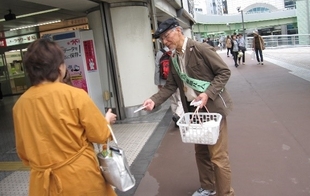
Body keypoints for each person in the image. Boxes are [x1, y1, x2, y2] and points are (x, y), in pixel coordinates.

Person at [12, 38, 118, 196]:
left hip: (42, 185)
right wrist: (106, 121)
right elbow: (100, 134)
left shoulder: (20, 105)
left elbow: (24, 154)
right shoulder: (74, 95)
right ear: (59, 67)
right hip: (79, 179)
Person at [143, 18, 235, 196]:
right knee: (201, 152)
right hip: (194, 112)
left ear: (178, 30)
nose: (165, 41)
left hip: (212, 109)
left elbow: (224, 72)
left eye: (167, 36)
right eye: (162, 38)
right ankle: (208, 187)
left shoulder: (200, 49)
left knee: (218, 157)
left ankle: (226, 193)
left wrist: (208, 93)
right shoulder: (174, 58)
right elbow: (170, 86)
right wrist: (154, 100)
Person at [154, 46, 184, 126]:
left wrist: (158, 82)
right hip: (177, 79)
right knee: (180, 99)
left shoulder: (160, 53)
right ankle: (178, 115)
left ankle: (176, 119)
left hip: (165, 80)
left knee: (173, 100)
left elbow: (157, 68)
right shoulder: (177, 50)